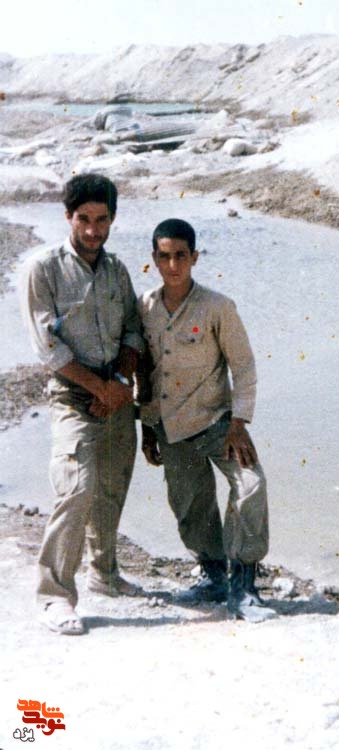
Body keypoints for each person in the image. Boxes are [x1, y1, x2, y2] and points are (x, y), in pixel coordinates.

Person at [20, 173, 144, 635]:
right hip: (73, 393)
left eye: (102, 220)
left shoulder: (117, 270)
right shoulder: (43, 269)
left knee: (112, 485)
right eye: (84, 219)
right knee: (76, 486)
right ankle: (54, 596)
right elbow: (48, 348)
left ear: (112, 219)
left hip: (115, 389)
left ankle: (104, 573)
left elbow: (133, 330)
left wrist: (120, 382)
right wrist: (98, 389)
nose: (93, 230)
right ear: (68, 217)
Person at [139, 218, 276, 623]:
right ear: (154, 259)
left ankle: (244, 585)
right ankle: (214, 576)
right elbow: (146, 372)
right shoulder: (144, 307)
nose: (173, 265)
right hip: (170, 426)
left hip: (218, 423)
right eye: (165, 256)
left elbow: (244, 366)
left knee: (251, 485)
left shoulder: (218, 307)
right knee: (190, 504)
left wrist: (240, 422)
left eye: (181, 255)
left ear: (195, 257)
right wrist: (146, 427)